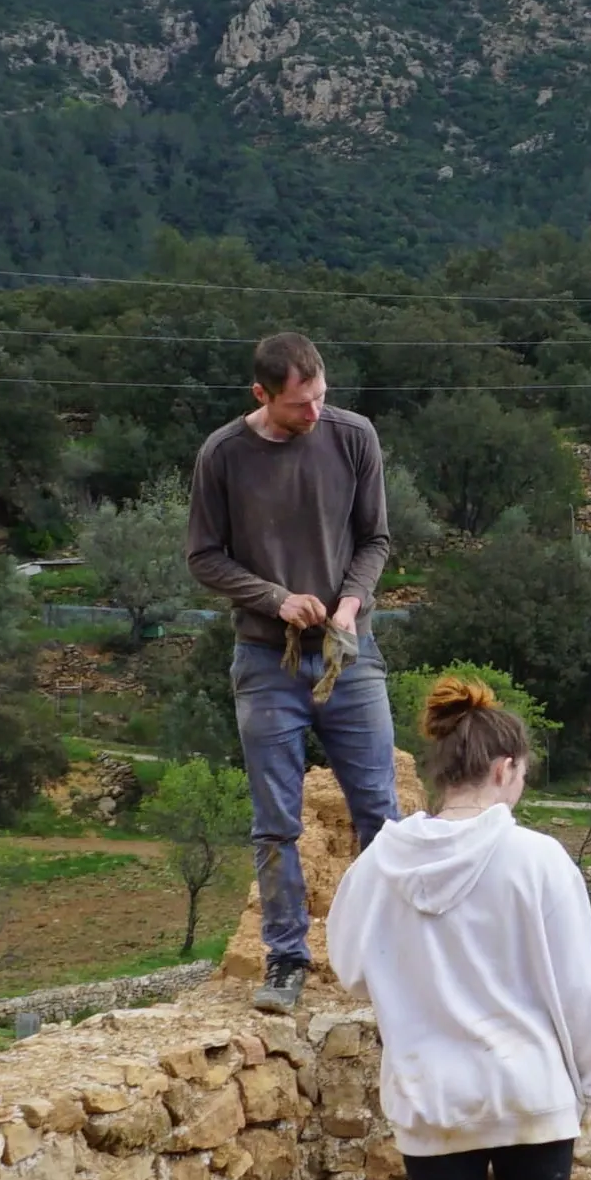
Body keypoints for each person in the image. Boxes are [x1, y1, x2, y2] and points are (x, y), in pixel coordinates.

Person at [323, 676, 591, 1180]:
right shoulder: (539, 861)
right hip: (529, 1088)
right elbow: (577, 988)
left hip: (429, 1093)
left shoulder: (380, 866)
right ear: (505, 768)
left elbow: (349, 967)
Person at [188, 331, 399, 1010]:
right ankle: (285, 962)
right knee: (276, 821)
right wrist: (277, 600)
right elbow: (205, 557)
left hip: (348, 651)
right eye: (299, 405)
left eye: (321, 396)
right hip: (265, 657)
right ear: (261, 395)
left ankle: (389, 958)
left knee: (381, 814)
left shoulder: (354, 436)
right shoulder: (223, 456)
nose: (315, 414)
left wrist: (350, 602)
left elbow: (376, 539)